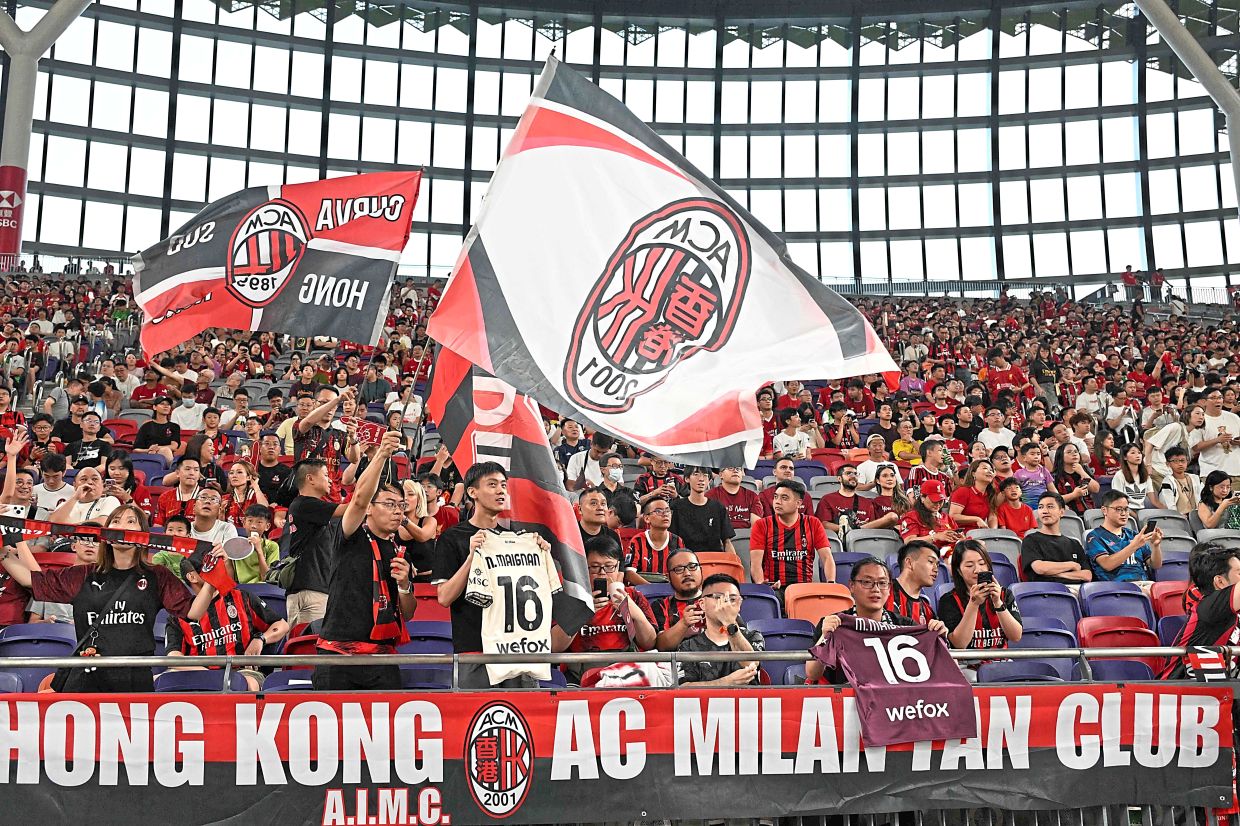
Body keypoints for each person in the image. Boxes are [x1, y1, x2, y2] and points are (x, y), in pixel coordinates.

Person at [0, 505, 215, 692]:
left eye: (131, 521)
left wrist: (214, 578)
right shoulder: (84, 574)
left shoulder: (158, 575)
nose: (122, 526)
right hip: (87, 677)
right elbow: (28, 579)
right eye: (116, 520)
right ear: (105, 533)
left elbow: (194, 612)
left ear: (143, 533)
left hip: (134, 677)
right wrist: (2, 550)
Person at [313, 432, 418, 691]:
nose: (397, 511)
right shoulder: (351, 534)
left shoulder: (399, 551)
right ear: (370, 508)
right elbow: (359, 498)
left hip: (382, 657)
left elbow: (408, 612)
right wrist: (382, 453)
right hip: (338, 654)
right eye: (389, 504)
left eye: (401, 505)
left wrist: (404, 585)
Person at [435, 461, 538, 688]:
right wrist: (472, 557)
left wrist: (537, 551)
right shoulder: (452, 538)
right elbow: (444, 597)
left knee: (525, 711)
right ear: (472, 492)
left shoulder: (516, 540)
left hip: (517, 649)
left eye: (503, 485)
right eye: (492, 485)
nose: (501, 490)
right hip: (474, 651)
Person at [805, 556, 948, 684]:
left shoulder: (906, 625)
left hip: (893, 700)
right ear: (852, 586)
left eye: (882, 583)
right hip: (845, 699)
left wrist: (939, 640)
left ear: (889, 588)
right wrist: (825, 636)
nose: (876, 589)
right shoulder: (834, 623)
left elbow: (934, 669)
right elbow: (812, 673)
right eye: (867, 582)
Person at [167, 555, 289, 691]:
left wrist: (261, 638)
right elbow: (173, 656)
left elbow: (282, 625)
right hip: (198, 674)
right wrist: (207, 675)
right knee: (158, 680)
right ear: (192, 577)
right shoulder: (179, 615)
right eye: (208, 569)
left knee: (249, 684)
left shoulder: (242, 597)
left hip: (241, 672)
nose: (216, 571)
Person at [551, 534, 657, 683]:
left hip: (627, 672)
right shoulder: (571, 597)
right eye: (595, 567)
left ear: (618, 569)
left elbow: (649, 643)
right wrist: (581, 613)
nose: (602, 573)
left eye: (609, 567)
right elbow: (555, 646)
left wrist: (636, 615)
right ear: (583, 568)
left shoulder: (634, 596)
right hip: (583, 673)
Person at [285, 457, 349, 628]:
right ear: (310, 478)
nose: (330, 480)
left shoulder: (306, 508)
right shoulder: (305, 504)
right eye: (326, 475)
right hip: (311, 591)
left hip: (311, 589)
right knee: (311, 643)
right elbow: (350, 508)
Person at [938, 539, 1023, 666]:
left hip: (1001, 662)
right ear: (959, 570)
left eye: (982, 563)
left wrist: (998, 603)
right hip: (967, 665)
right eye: (969, 566)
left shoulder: (1005, 594)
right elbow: (959, 644)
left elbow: (1016, 636)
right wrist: (973, 604)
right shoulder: (948, 600)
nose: (977, 570)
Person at [1161, 544, 1240, 678]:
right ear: (1220, 582)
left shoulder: (1231, 612)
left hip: (1219, 685)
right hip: (1178, 687)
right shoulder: (1207, 608)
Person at [676, 573, 764, 687]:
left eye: (732, 599)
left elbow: (751, 663)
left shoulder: (753, 636)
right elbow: (683, 688)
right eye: (718, 597)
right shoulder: (688, 646)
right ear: (702, 604)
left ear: (740, 604)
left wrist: (729, 623)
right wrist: (726, 682)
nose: (726, 605)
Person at [749, 479, 834, 589]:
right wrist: (763, 587)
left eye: (784, 498)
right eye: (775, 497)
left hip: (804, 588)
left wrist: (831, 583)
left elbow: (827, 558)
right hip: (774, 588)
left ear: (798, 503)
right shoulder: (762, 525)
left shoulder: (813, 523)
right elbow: (755, 564)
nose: (777, 501)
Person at [1085, 491, 1163, 587]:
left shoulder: (1133, 535)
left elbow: (1155, 565)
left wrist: (1156, 546)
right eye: (1119, 509)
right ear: (1104, 510)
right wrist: (1134, 546)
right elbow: (1107, 564)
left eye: (1126, 509)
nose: (1124, 513)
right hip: (1115, 586)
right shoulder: (1094, 536)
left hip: (1143, 583)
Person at [26, 528, 101, 624]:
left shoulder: (109, 584)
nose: (90, 545)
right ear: (73, 546)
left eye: (96, 542)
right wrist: (45, 623)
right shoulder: (51, 578)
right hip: (51, 632)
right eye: (84, 540)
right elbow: (32, 622)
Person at [1021, 492, 1093, 588]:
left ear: (1061, 512)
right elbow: (1040, 568)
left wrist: (1055, 573)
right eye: (1041, 507)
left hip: (1077, 590)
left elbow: (1087, 575)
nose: (1044, 511)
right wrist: (1071, 565)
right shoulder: (1031, 540)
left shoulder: (1074, 543)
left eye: (1050, 507)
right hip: (1046, 590)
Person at [650, 549, 707, 651]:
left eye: (692, 566)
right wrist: (683, 624)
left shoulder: (715, 600)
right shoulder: (660, 605)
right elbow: (661, 646)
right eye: (679, 569)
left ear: (701, 570)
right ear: (668, 577)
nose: (687, 573)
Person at [670, 466, 735, 553]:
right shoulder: (677, 507)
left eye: (705, 475)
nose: (701, 479)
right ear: (687, 479)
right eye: (696, 474)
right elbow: (672, 542)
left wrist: (734, 560)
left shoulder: (718, 507)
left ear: (709, 480)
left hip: (714, 558)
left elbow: (727, 542)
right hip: (686, 558)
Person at [896, 480, 962, 556]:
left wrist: (960, 538)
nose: (938, 504)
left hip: (952, 554)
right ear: (922, 498)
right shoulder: (912, 516)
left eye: (941, 501)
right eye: (934, 500)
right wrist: (935, 537)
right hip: (925, 557)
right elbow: (909, 541)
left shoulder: (947, 518)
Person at [624, 499, 685, 580]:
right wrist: (652, 587)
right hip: (643, 587)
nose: (665, 514)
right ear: (647, 518)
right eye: (658, 511)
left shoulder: (678, 541)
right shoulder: (637, 541)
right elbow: (629, 573)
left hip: (670, 586)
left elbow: (682, 571)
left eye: (667, 511)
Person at [888, 540, 939, 622]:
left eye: (937, 565)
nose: (936, 569)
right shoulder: (884, 592)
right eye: (930, 562)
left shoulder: (927, 611)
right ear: (909, 563)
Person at [49, 465, 120, 524]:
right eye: (84, 479)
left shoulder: (110, 500)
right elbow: (52, 524)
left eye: (95, 479)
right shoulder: (65, 504)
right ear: (74, 485)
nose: (90, 482)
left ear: (102, 484)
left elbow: (103, 522)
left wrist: (68, 529)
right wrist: (75, 497)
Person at [231, 504, 281, 585]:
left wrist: (259, 551)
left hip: (263, 588)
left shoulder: (272, 546)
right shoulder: (236, 545)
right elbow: (231, 577)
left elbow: (267, 578)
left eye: (259, 522)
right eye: (250, 521)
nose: (253, 526)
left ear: (267, 526)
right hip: (241, 588)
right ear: (244, 523)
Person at [1110, 442, 1163, 509]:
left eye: (1139, 453)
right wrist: (1133, 514)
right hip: (1125, 511)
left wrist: (1170, 511)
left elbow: (1154, 501)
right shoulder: (1119, 475)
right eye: (1133, 453)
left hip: (1141, 511)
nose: (1138, 455)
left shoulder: (1146, 476)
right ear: (1125, 457)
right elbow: (1118, 501)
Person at [1051, 442, 1098, 516]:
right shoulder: (1055, 476)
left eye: (1076, 451)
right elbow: (1054, 500)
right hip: (1068, 514)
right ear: (1061, 456)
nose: (1074, 454)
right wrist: (1074, 495)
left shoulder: (1084, 469)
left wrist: (1082, 472)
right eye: (1069, 452)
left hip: (1089, 512)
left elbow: (1096, 489)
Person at [132, 395, 181, 464]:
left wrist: (156, 448)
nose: (166, 406)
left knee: (166, 450)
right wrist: (149, 450)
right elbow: (136, 449)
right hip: (148, 456)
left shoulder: (174, 427)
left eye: (168, 404)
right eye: (162, 404)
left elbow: (174, 446)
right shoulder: (146, 426)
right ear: (154, 407)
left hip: (166, 456)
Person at [154, 456, 201, 526]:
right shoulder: (165, 497)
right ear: (177, 473)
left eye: (196, 470)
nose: (192, 473)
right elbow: (158, 525)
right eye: (187, 469)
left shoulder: (206, 497)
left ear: (199, 475)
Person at [949, 459, 995, 529]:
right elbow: (953, 516)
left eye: (991, 470)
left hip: (981, 533)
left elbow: (992, 516)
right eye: (985, 468)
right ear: (973, 474)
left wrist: (993, 531)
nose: (989, 471)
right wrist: (976, 519)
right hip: (962, 532)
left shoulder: (990, 494)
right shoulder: (963, 491)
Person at [1158, 446, 1202, 518]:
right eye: (1175, 461)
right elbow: (1168, 505)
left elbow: (1203, 498)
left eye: (1183, 460)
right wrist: (1179, 516)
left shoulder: (1195, 478)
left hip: (1197, 516)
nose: (1180, 464)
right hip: (1179, 518)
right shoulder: (1168, 482)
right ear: (1168, 464)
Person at [221, 460, 267, 528]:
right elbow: (220, 526)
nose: (234, 476)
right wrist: (221, 513)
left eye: (239, 472)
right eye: (231, 473)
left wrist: (256, 487)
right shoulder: (225, 499)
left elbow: (265, 509)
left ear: (248, 477)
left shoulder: (256, 496)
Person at [1012, 442, 1056, 509]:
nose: (1036, 456)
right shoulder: (1018, 473)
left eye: (1038, 454)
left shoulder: (1044, 471)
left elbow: (1053, 490)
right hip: (1026, 508)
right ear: (1024, 457)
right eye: (1032, 454)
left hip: (1043, 506)